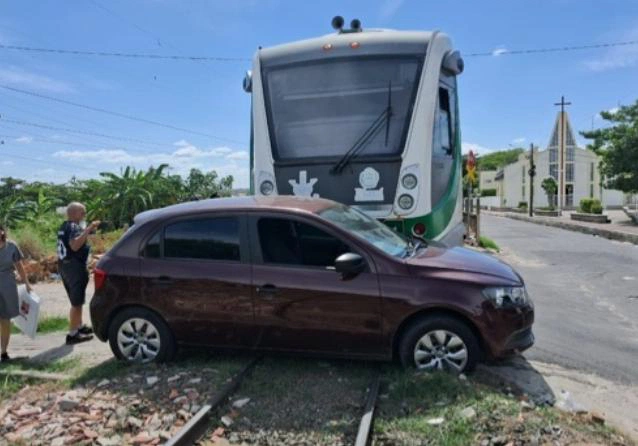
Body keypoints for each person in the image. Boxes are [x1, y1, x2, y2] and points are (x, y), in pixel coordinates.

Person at [57, 202, 100, 345]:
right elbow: (74, 246)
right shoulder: (75, 227)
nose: (84, 215)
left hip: (65, 266)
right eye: (83, 212)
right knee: (76, 302)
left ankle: (79, 326)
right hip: (74, 267)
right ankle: (73, 334)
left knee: (77, 300)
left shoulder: (64, 226)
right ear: (74, 213)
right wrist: (88, 229)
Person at [0, 224, 33, 362]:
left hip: (7, 284)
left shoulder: (11, 246)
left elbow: (19, 266)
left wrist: (26, 282)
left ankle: (4, 352)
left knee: (5, 319)